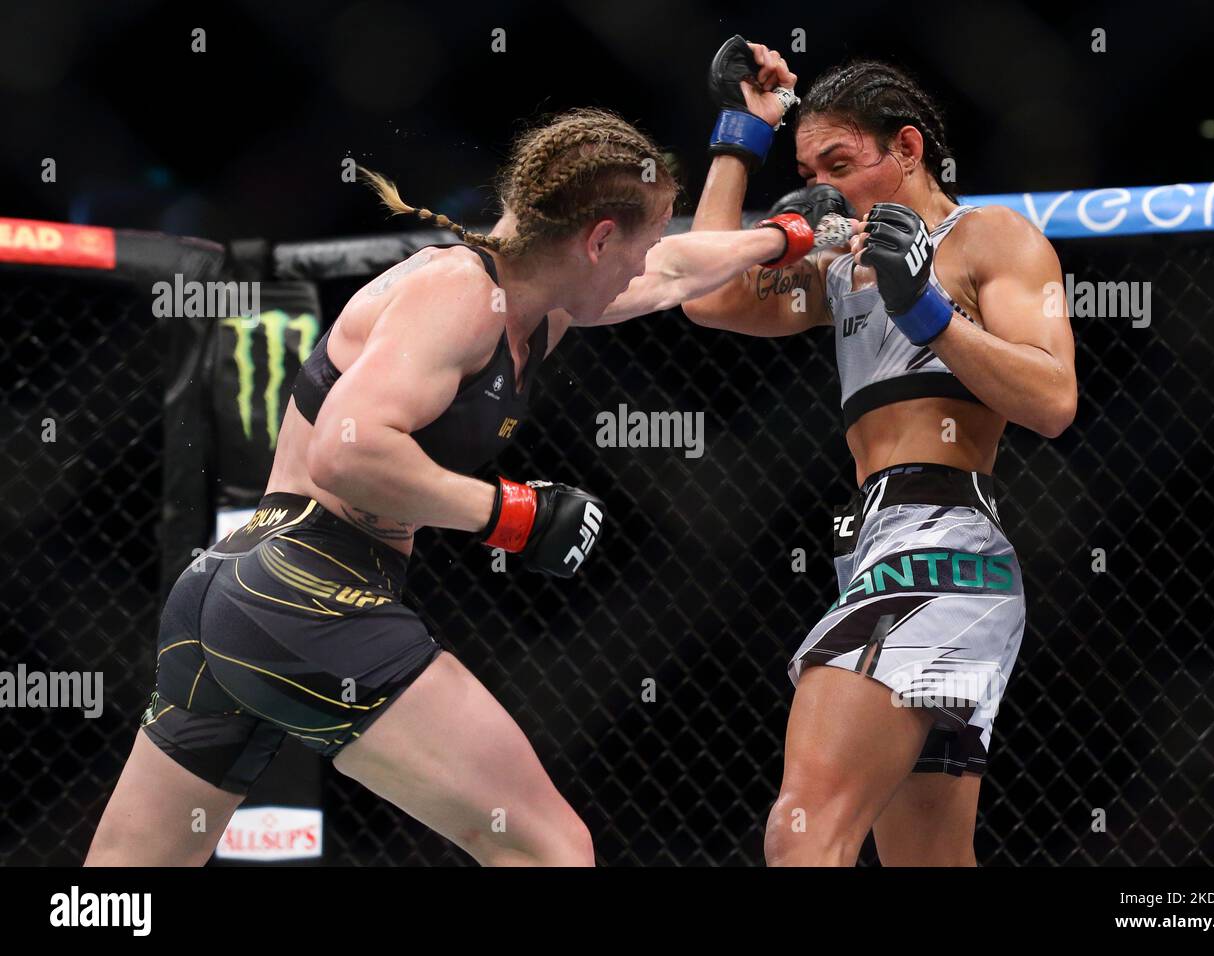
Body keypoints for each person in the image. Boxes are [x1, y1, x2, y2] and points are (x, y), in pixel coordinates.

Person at [85, 104, 836, 867]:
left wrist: (787, 235)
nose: (642, 265)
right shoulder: (460, 294)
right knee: (550, 848)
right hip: (307, 587)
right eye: (636, 246)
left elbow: (676, 271)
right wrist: (511, 513)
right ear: (598, 238)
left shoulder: (540, 306)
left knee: (124, 880)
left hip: (239, 592)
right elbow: (346, 452)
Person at [683, 41, 1077, 865]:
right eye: (809, 170)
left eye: (842, 163)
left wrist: (926, 308)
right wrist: (739, 134)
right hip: (874, 546)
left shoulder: (991, 237)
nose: (825, 188)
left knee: (802, 833)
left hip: (939, 548)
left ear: (906, 150)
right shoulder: (841, 265)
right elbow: (708, 293)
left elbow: (1051, 401)